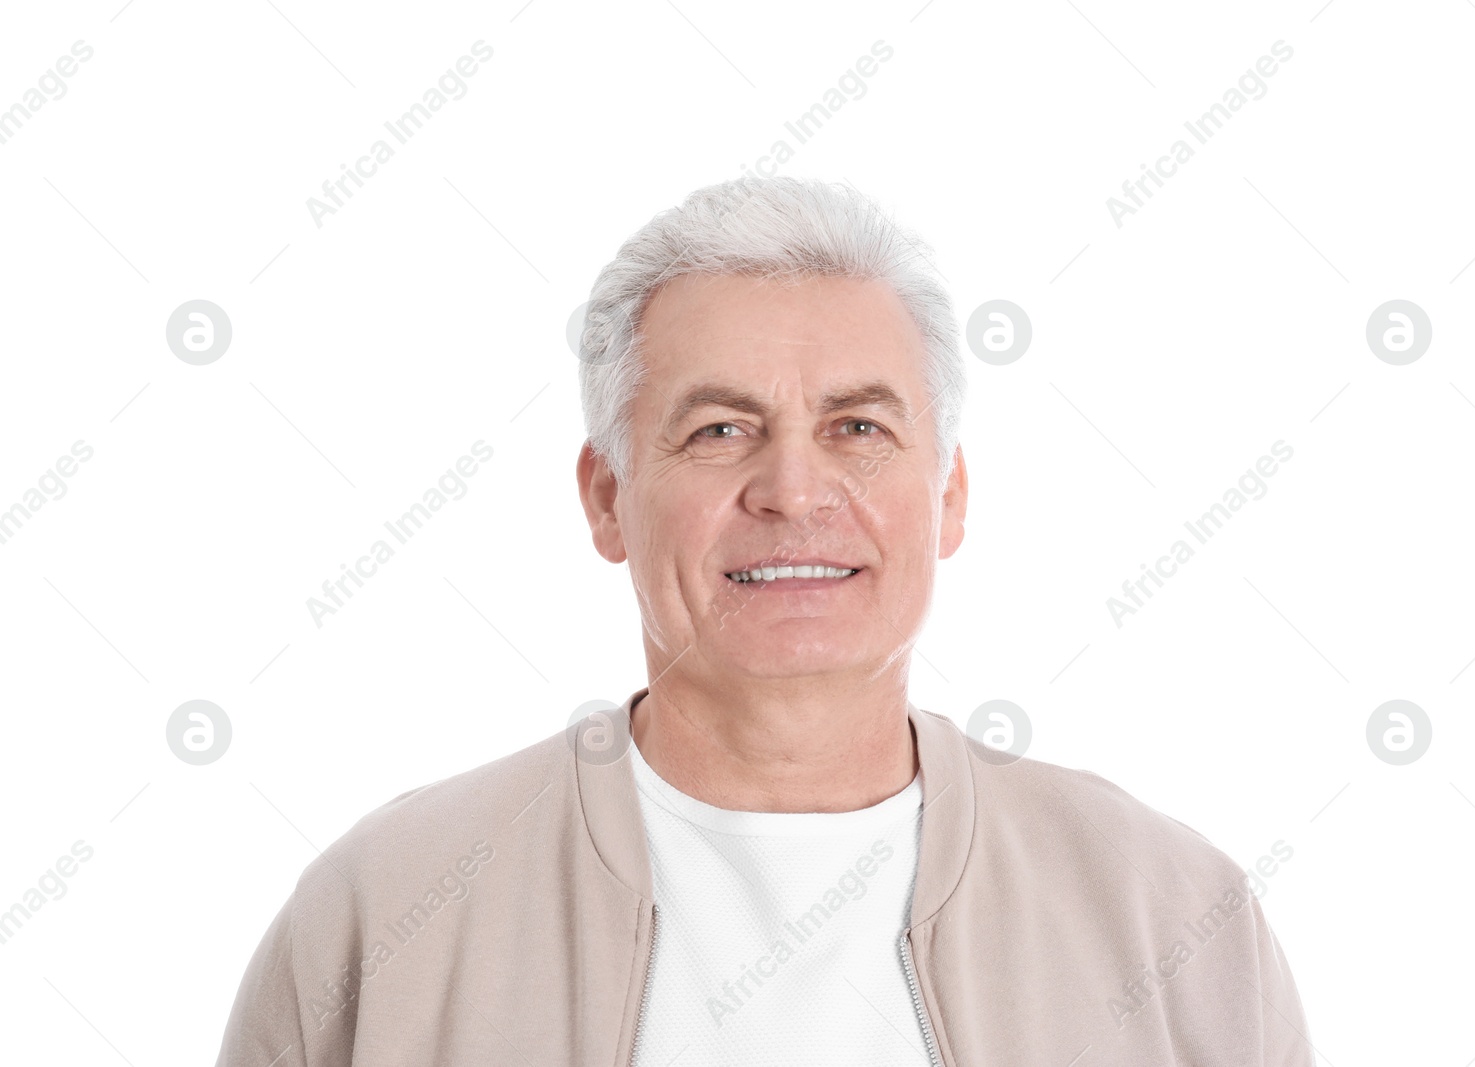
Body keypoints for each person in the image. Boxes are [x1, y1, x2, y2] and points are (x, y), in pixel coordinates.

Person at [215, 176, 1315, 1065]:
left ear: (950, 497)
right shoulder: (389, 907)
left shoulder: (1170, 915)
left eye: (858, 427)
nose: (793, 490)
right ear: (605, 498)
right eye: (719, 430)